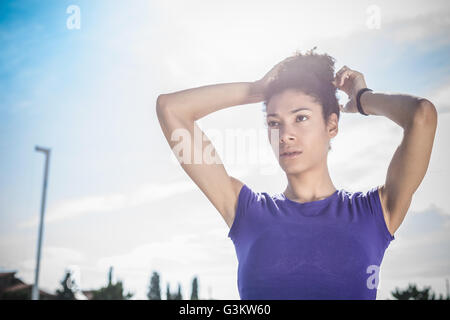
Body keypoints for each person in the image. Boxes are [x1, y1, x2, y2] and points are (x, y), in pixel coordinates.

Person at [155, 48, 438, 299]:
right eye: (274, 122)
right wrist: (257, 89)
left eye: (300, 118)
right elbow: (171, 109)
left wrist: (363, 98)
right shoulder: (247, 212)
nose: (285, 134)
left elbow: (422, 116)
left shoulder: (375, 213)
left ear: (332, 125)